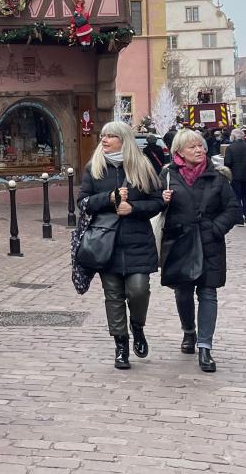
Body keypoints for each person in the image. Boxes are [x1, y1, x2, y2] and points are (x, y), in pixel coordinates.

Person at [78, 121, 163, 370]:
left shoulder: (143, 167)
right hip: (106, 243)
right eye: (103, 136)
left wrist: (133, 208)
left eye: (111, 136)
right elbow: (82, 203)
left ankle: (137, 325)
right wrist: (108, 198)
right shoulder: (94, 168)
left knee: (138, 290)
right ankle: (121, 345)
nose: (104, 140)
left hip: (137, 241)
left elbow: (158, 202)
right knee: (113, 296)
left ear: (124, 140)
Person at [160, 128, 241, 372]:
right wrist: (161, 200)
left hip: (209, 244)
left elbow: (233, 208)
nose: (198, 150)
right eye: (192, 147)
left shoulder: (216, 177)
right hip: (180, 242)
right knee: (183, 292)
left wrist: (215, 229)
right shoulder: (166, 176)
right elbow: (152, 205)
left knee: (208, 293)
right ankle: (189, 332)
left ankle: (205, 347)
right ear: (179, 152)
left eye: (200, 146)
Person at [223, 128, 246, 225]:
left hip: (235, 176)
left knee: (236, 196)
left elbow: (227, 162)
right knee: (244, 194)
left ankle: (239, 218)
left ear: (233, 136)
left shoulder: (230, 148)